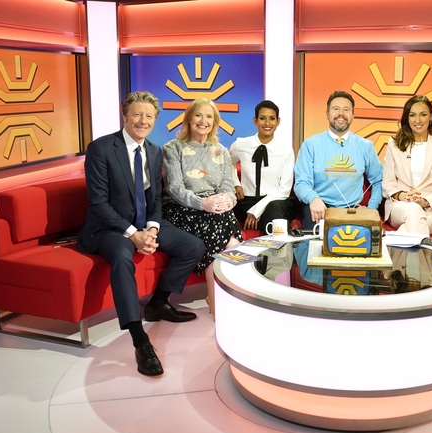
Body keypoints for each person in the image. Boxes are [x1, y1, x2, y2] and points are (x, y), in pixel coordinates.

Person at [77, 91, 205, 377]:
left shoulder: (154, 150)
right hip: (107, 228)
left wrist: (152, 228)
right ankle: (140, 340)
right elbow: (98, 203)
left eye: (149, 116)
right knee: (122, 256)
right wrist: (133, 234)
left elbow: (156, 199)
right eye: (137, 114)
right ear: (125, 115)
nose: (143, 120)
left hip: (142, 224)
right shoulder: (101, 148)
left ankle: (158, 303)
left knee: (193, 246)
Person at [162, 98, 243, 318]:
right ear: (188, 119)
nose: (203, 121)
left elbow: (229, 186)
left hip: (214, 208)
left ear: (215, 122)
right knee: (227, 234)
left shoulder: (221, 151)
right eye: (198, 115)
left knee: (229, 232)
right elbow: (175, 188)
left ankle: (221, 295)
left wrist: (228, 201)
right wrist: (202, 203)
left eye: (209, 116)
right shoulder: (172, 148)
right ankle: (216, 298)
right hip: (182, 208)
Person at [294, 90, 383, 229]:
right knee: (313, 243)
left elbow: (378, 180)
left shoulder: (365, 146)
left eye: (346, 109)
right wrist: (314, 199)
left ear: (353, 115)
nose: (341, 113)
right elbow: (301, 183)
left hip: (353, 209)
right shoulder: (310, 145)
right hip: (320, 207)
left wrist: (371, 209)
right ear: (327, 114)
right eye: (336, 109)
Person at [382, 95, 432, 235]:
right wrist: (402, 196)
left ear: (431, 117)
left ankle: (396, 247)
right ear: (407, 118)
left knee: (410, 226)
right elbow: (387, 184)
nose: (417, 120)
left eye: (423, 115)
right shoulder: (394, 144)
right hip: (400, 206)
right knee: (413, 210)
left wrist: (425, 201)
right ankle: (423, 256)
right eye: (412, 115)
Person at [229, 100, 295, 234]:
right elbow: (226, 164)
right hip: (248, 203)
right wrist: (236, 183)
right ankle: (278, 252)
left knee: (274, 209)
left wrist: (257, 211)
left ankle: (269, 253)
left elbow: (285, 190)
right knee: (276, 221)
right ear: (255, 120)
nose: (267, 123)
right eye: (262, 118)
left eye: (272, 119)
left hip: (278, 201)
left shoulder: (286, 150)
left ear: (278, 121)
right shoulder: (240, 145)